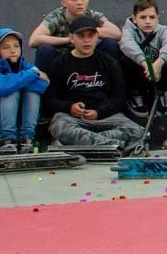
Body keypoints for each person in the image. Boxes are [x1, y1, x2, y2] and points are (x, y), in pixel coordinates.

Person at [41, 15, 146, 152]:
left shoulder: (109, 62)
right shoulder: (59, 64)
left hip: (106, 117)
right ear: (72, 38)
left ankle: (87, 144)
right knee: (59, 127)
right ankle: (114, 146)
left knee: (136, 131)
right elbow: (48, 100)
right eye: (81, 36)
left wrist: (99, 112)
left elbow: (119, 98)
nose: (86, 40)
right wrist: (69, 107)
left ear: (97, 36)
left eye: (91, 35)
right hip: (72, 118)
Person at [29, 0, 122, 71]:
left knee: (110, 44)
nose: (79, 2)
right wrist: (69, 39)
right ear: (63, 2)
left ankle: (109, 79)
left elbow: (117, 34)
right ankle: (45, 81)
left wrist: (87, 29)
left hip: (89, 60)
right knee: (44, 50)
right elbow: (34, 40)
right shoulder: (56, 17)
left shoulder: (93, 15)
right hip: (63, 64)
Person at [0, 27, 48, 152]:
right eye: (6, 47)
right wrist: (29, 77)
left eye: (16, 46)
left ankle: (27, 138)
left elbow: (42, 85)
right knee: (10, 90)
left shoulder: (29, 67)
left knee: (32, 91)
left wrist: (17, 80)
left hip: (21, 126)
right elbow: (2, 87)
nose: (13, 51)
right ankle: (8, 140)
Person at [119, 0, 167, 118]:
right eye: (143, 17)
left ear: (158, 18)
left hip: (157, 73)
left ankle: (160, 93)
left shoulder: (163, 30)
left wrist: (159, 63)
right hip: (140, 71)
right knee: (125, 59)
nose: (148, 21)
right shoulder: (128, 29)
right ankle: (135, 94)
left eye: (152, 17)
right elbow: (126, 43)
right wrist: (145, 64)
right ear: (134, 18)